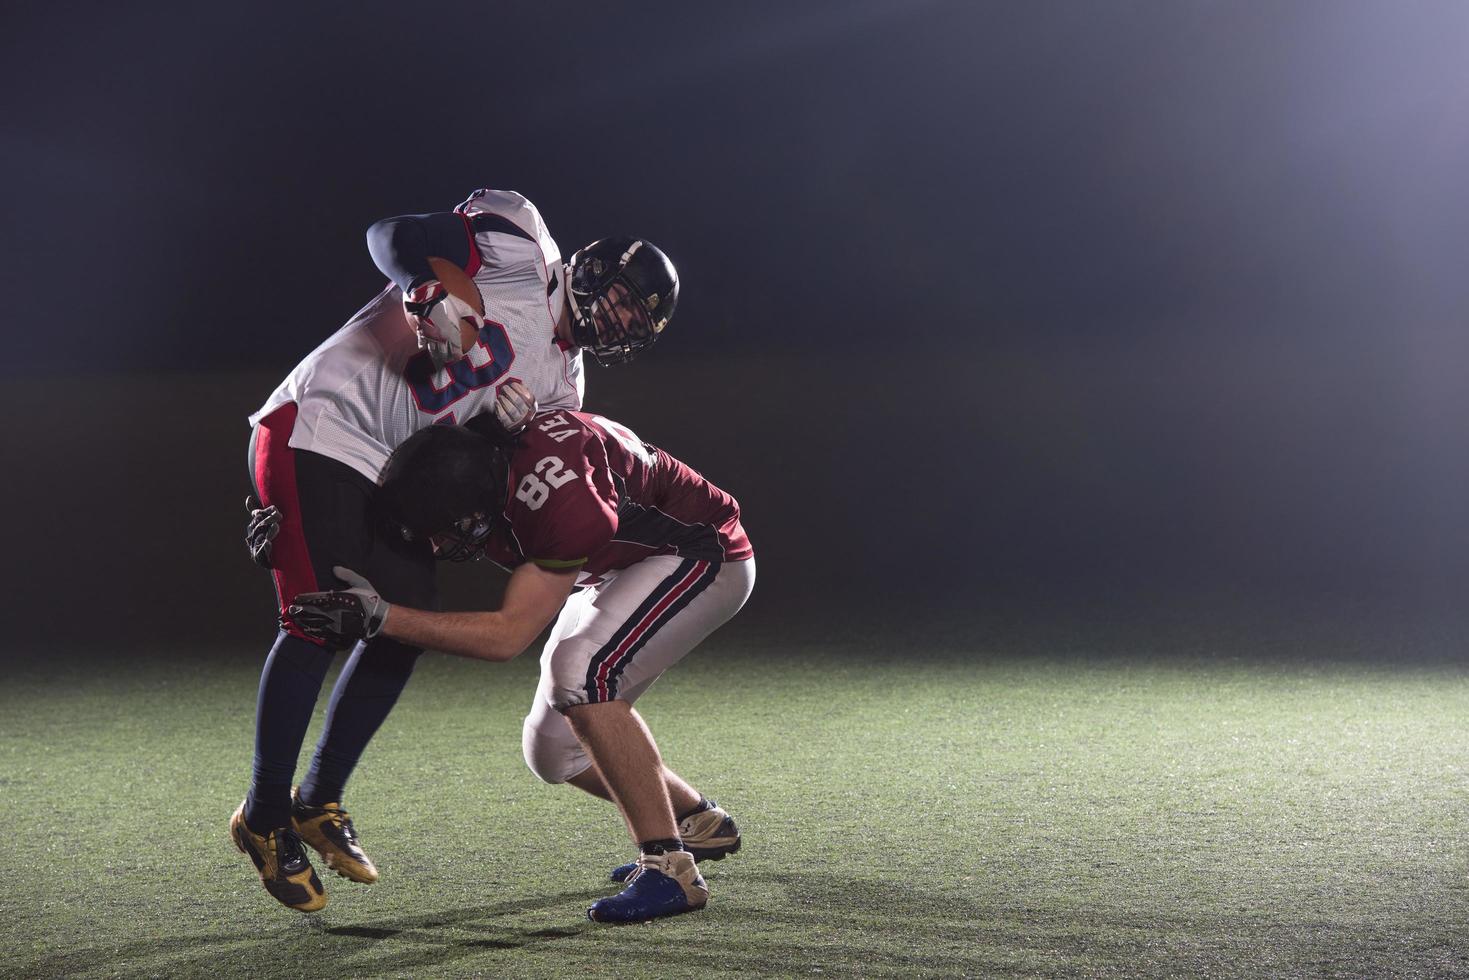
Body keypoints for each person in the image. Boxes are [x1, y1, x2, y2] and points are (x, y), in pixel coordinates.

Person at [235, 187, 680, 914]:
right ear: (596, 269)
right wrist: (425, 287)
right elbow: (391, 232)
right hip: (323, 420)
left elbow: (458, 466)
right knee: (320, 618)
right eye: (628, 300)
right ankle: (261, 816)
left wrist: (499, 440)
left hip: (387, 471)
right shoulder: (519, 240)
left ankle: (318, 799)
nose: (623, 320)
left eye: (638, 321)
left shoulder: (565, 390)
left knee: (397, 628)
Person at [286, 409, 754, 923]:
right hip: (618, 564)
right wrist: (285, 546)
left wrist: (382, 617)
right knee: (554, 753)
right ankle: (698, 820)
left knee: (583, 675)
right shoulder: (486, 465)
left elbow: (507, 637)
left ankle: (670, 869)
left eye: (447, 527)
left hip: (700, 552)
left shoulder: (559, 498)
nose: (439, 545)